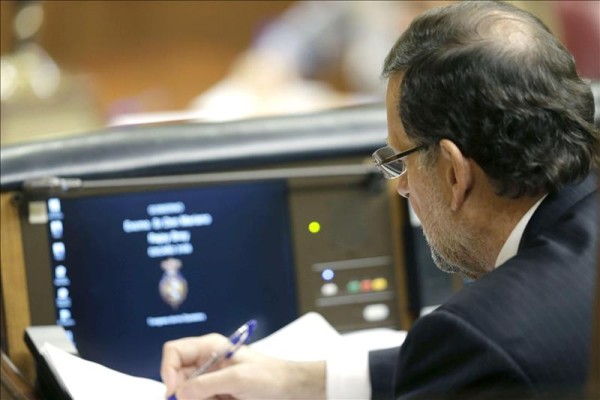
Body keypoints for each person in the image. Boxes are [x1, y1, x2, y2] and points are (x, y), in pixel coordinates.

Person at [161, 1, 599, 399]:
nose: (401, 186)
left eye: (400, 159)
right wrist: (295, 380)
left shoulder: (486, 334)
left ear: (454, 172)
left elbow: (484, 356)